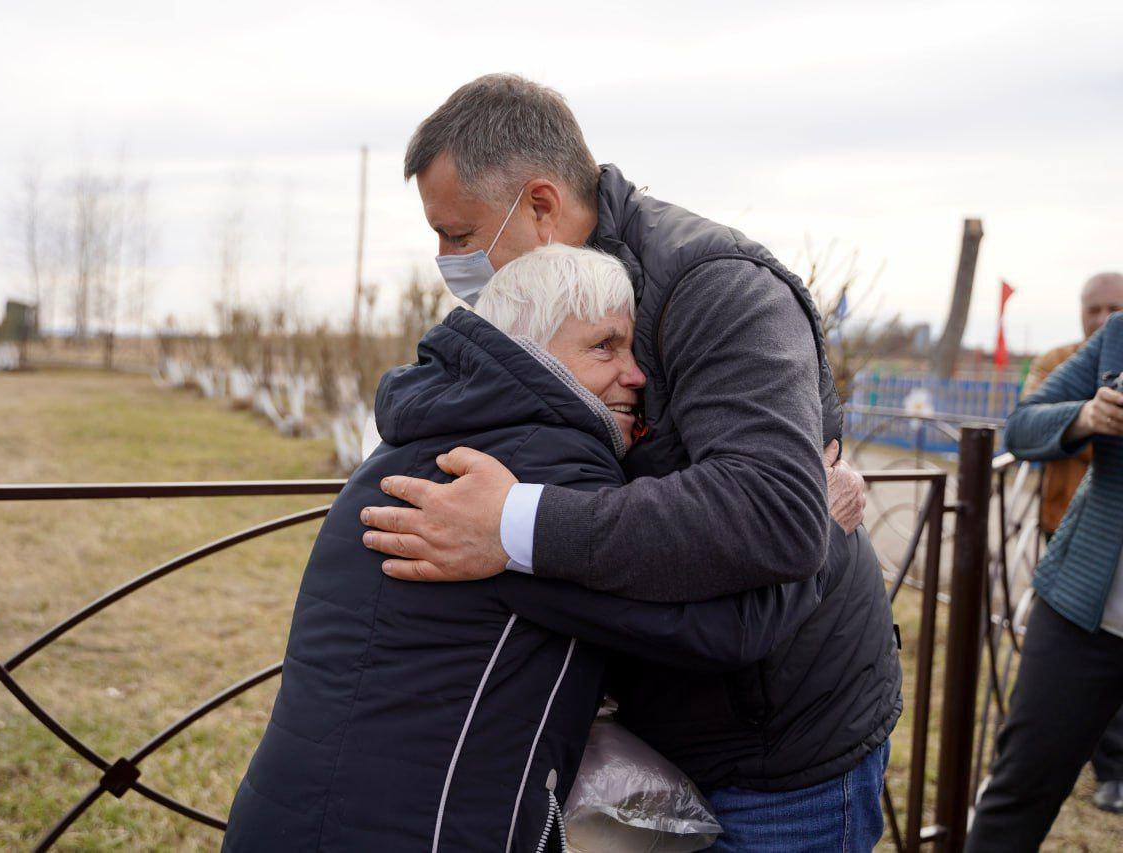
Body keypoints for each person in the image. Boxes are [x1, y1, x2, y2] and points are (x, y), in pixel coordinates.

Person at [360, 74, 899, 850]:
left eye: (458, 233)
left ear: (540, 206)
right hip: (637, 745)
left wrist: (512, 524)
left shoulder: (713, 286)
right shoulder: (543, 303)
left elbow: (774, 513)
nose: (448, 260)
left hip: (778, 760)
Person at [223, 246, 853, 852]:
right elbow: (724, 630)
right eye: (604, 346)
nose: (636, 375)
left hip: (304, 813)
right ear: (529, 349)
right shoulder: (521, 472)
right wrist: (816, 524)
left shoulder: (422, 440)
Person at [967, 309, 1123, 851]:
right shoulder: (1119, 336)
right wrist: (1086, 417)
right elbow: (1022, 424)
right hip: (1083, 611)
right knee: (1019, 791)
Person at [1020, 271, 1123, 814]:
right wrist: (1086, 418)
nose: (1103, 319)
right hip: (1068, 526)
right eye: (1095, 309)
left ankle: (1113, 769)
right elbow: (1028, 419)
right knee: (1076, 652)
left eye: (1115, 308)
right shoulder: (1061, 356)